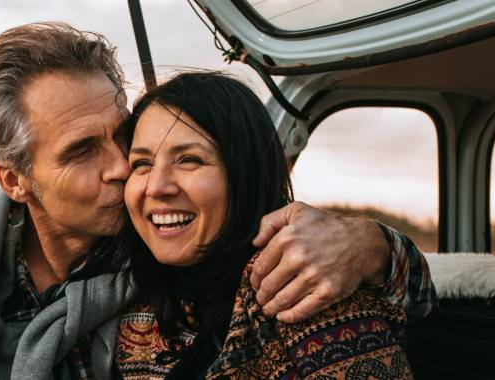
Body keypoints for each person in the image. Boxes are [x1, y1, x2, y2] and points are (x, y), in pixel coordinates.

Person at [0, 22, 433, 380]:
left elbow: (408, 299)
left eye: (123, 138)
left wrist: (372, 245)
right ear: (15, 181)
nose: (125, 170)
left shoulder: (172, 242)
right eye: (81, 151)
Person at [113, 72, 411, 379]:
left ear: (246, 173)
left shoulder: (312, 294)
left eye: (189, 159)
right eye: (142, 164)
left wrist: (374, 245)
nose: (156, 187)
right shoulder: (124, 294)